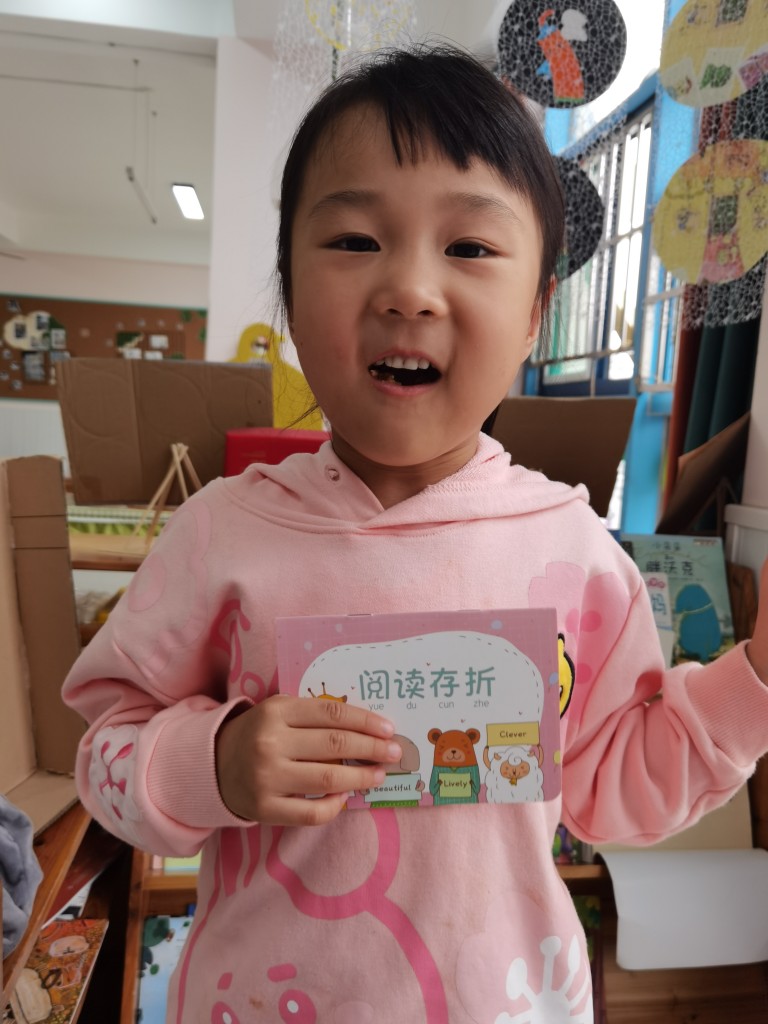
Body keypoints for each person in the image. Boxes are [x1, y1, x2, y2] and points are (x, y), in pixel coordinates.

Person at [62, 44, 768, 1023]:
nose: (409, 289)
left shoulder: (570, 547)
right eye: (355, 240)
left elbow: (619, 787)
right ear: (289, 290)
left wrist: (753, 681)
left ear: (536, 312)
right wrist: (213, 762)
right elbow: (103, 752)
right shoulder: (220, 532)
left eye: (470, 248)